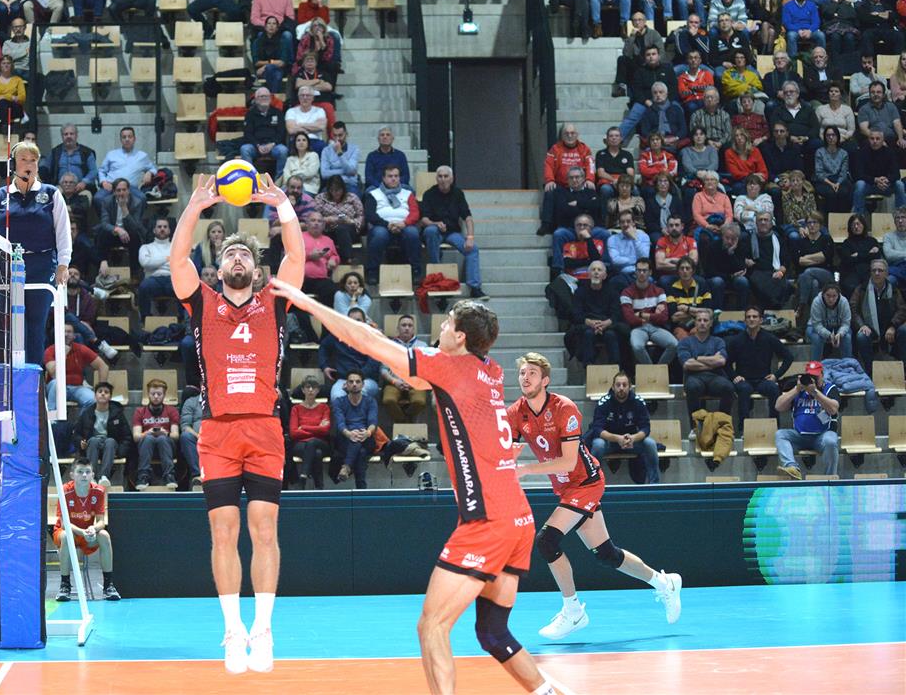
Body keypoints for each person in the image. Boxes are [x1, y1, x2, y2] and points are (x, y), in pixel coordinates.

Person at [269, 280, 561, 695]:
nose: (440, 328)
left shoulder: (450, 367)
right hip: (518, 518)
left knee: (431, 626)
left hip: (489, 522)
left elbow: (367, 342)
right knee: (493, 633)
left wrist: (306, 303)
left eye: (447, 323)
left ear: (461, 337)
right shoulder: (490, 371)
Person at [168, 171, 304, 674]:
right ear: (219, 268)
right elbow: (177, 261)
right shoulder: (203, 302)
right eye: (230, 255)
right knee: (223, 532)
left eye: (245, 254)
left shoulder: (275, 300)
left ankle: (263, 629)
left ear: (258, 268)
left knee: (264, 530)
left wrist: (283, 206)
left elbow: (297, 258)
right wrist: (194, 208)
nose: (238, 259)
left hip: (265, 428)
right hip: (218, 431)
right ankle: (232, 630)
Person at [511, 352, 681, 640]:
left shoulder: (564, 408)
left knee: (546, 541)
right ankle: (665, 584)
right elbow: (508, 450)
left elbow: (568, 462)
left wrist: (526, 469)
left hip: (586, 482)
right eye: (522, 373)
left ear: (545, 380)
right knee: (607, 554)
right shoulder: (516, 412)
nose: (525, 378)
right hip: (566, 488)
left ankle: (573, 611)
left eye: (532, 373)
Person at [0, 141, 71, 367]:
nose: (29, 165)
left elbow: (63, 232)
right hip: (7, 266)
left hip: (41, 265)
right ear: (13, 165)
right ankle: (13, 375)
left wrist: (63, 265)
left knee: (36, 325)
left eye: (33, 161)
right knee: (12, 325)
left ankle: (34, 377)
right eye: (23, 160)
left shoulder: (51, 194)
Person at [51, 456, 122, 601]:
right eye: (80, 472)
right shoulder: (65, 491)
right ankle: (65, 586)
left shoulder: (99, 491)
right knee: (66, 536)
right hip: (67, 533)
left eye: (87, 472)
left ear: (92, 475)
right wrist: (82, 532)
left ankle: (108, 586)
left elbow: (101, 521)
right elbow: (64, 524)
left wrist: (93, 529)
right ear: (72, 475)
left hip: (87, 534)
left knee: (104, 535)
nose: (84, 475)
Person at [419, 165, 485, 299]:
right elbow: (424, 219)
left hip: (452, 233)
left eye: (446, 176)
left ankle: (475, 287)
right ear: (436, 179)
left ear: (452, 178)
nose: (443, 179)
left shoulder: (458, 194)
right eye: (440, 176)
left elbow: (468, 217)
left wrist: (470, 237)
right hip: (435, 231)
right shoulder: (429, 194)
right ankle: (436, 275)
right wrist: (436, 224)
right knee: (430, 231)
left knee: (473, 250)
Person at [587, 370, 659, 484]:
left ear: (630, 387)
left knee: (650, 443)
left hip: (631, 442)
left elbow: (646, 428)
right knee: (598, 444)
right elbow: (597, 429)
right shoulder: (604, 402)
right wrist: (617, 438)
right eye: (618, 385)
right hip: (609, 442)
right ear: (613, 387)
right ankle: (593, 483)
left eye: (624, 385)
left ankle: (654, 485)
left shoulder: (638, 401)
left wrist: (633, 438)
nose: (621, 388)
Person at [727, 305, 794, 426]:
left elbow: (789, 357)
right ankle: (743, 429)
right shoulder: (736, 340)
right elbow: (726, 363)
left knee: (774, 389)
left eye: (754, 317)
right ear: (744, 320)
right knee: (743, 389)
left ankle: (775, 427)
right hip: (744, 380)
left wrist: (776, 375)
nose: (751, 319)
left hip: (763, 380)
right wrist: (734, 376)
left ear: (761, 320)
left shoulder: (769, 338)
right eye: (748, 317)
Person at [774, 361, 841, 479]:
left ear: (822, 374)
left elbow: (833, 409)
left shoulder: (830, 388)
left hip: (822, 435)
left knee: (831, 440)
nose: (813, 379)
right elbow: (778, 406)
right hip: (799, 435)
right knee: (780, 434)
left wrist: (815, 392)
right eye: (810, 376)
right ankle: (792, 468)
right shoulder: (798, 389)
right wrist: (797, 389)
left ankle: (830, 477)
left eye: (816, 376)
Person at [364, 166, 422, 285]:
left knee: (413, 233)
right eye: (390, 176)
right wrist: (387, 224)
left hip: (405, 225)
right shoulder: (373, 194)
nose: (393, 179)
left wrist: (404, 223)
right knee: (380, 234)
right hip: (381, 226)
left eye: (396, 176)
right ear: (383, 178)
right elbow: (370, 215)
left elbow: (415, 213)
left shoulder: (408, 193)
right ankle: (372, 271)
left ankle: (415, 270)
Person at [850, 258, 906, 370]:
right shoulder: (862, 289)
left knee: (904, 331)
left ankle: (903, 368)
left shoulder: (894, 289)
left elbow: (902, 309)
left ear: (886, 273)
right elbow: (853, 310)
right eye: (874, 270)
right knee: (861, 336)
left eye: (880, 270)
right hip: (869, 328)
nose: (877, 273)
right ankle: (869, 369)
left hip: (889, 327)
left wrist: (893, 326)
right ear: (870, 273)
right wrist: (861, 325)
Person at [621, 260, 678, 364]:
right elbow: (629, 318)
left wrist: (641, 314)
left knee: (674, 344)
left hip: (656, 327)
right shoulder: (626, 292)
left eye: (644, 270)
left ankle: (659, 370)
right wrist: (653, 315)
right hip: (638, 328)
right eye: (639, 270)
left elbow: (664, 317)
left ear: (650, 272)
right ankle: (651, 370)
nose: (641, 273)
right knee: (637, 346)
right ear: (635, 272)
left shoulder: (659, 291)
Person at [75, 382, 130, 486]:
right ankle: (92, 477)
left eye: (106, 392)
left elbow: (127, 436)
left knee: (110, 441)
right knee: (93, 440)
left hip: (111, 448)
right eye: (100, 391)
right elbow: (76, 434)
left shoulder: (117, 413)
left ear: (110, 396)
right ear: (95, 396)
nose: (103, 394)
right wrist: (80, 443)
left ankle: (104, 477)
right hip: (92, 446)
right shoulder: (87, 413)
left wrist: (120, 451)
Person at [94, 127, 156, 216]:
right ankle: (107, 221)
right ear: (121, 140)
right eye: (124, 137)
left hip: (130, 188)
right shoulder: (112, 154)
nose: (127, 139)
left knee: (142, 199)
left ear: (134, 139)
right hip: (112, 186)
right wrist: (103, 182)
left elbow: (153, 169)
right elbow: (101, 170)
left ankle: (134, 223)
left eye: (129, 137)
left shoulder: (142, 156)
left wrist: (149, 172)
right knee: (98, 198)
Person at [131, 379, 180, 490]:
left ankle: (169, 476)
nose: (156, 396)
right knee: (148, 438)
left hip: (167, 447)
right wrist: (147, 432)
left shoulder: (171, 410)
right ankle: (143, 476)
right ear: (148, 394)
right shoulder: (140, 411)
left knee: (162, 438)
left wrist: (165, 433)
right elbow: (136, 437)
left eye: (159, 394)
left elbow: (176, 435)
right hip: (146, 448)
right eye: (153, 394)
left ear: (164, 395)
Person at [288, 376, 331, 489]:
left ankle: (303, 477)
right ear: (303, 390)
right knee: (316, 453)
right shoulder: (296, 409)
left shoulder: (324, 408)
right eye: (308, 387)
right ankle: (319, 487)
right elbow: (293, 433)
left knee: (313, 443)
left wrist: (303, 427)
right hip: (300, 444)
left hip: (321, 442)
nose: (311, 390)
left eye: (314, 387)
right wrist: (317, 429)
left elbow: (325, 430)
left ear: (318, 390)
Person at [137, 216, 175, 317]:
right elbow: (145, 263)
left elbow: (179, 264)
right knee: (143, 287)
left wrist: (154, 261)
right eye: (159, 227)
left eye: (165, 227)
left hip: (172, 279)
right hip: (153, 279)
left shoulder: (176, 247)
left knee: (185, 289)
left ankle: (182, 320)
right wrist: (168, 258)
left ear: (169, 230)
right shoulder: (145, 247)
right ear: (154, 230)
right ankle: (145, 319)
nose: (162, 229)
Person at [808, 281, 853, 359]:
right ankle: (815, 364)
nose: (831, 299)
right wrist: (828, 335)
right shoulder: (817, 302)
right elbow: (817, 324)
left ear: (838, 295)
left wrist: (840, 334)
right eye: (828, 295)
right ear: (823, 294)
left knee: (847, 337)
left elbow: (846, 323)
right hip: (816, 327)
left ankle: (848, 363)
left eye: (834, 296)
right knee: (817, 338)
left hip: (838, 327)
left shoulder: (844, 302)